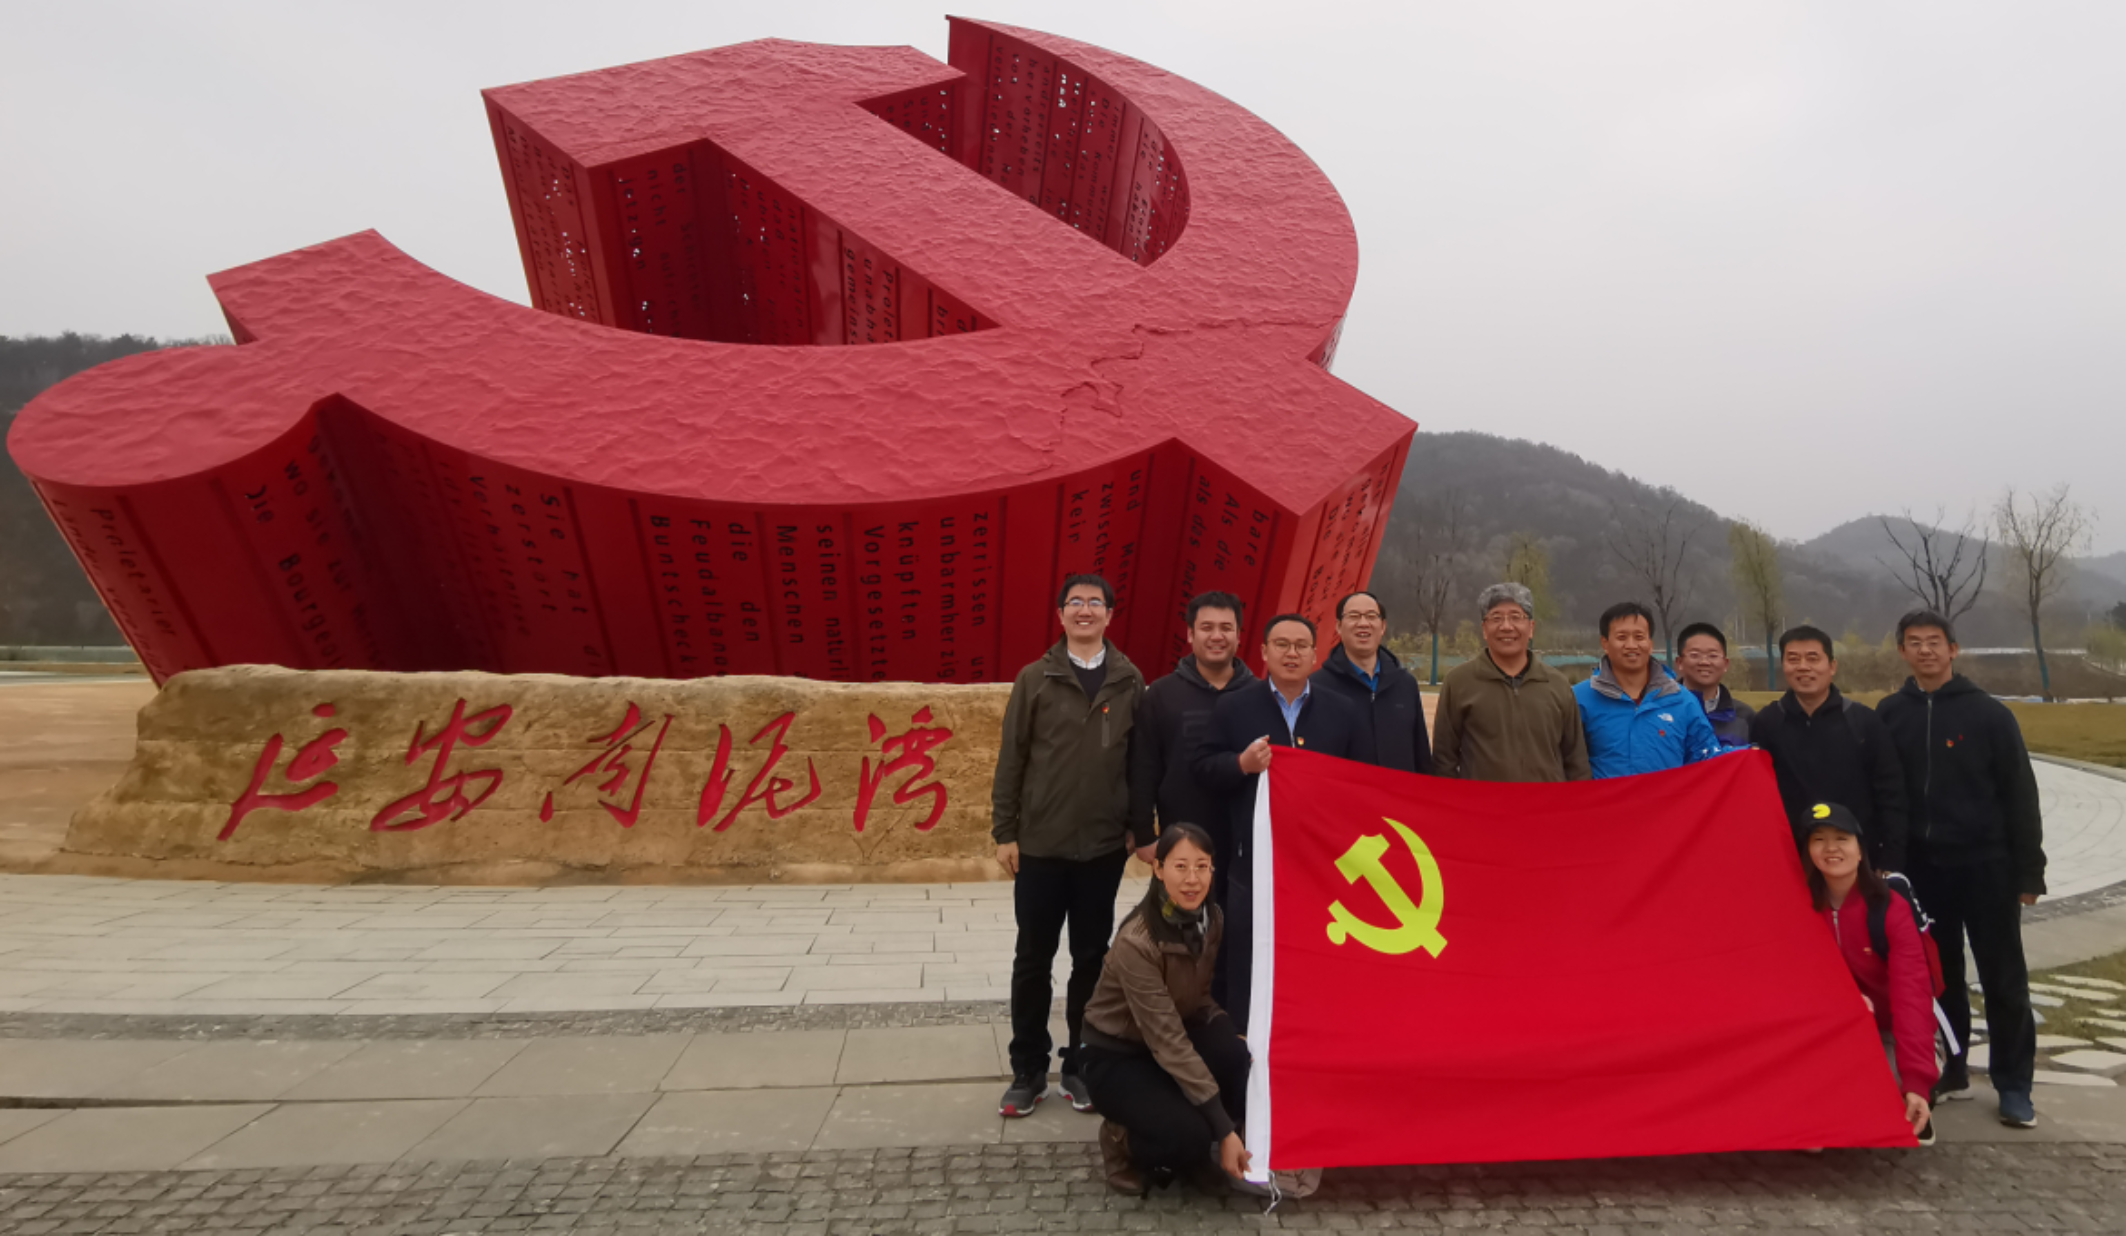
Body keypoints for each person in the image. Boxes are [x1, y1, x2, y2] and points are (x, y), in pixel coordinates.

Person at [1876, 609, 2046, 1128]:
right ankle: (1951, 1070)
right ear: (1902, 651)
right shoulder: (1890, 713)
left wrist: (2030, 871)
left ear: (1953, 649)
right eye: (1914, 642)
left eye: (1935, 641)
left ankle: (2014, 1083)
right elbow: (1885, 792)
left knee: (2003, 975)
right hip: (1924, 870)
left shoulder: (1990, 715)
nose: (1925, 650)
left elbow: (2021, 794)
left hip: (1986, 865)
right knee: (1939, 977)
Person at [991, 573, 1145, 1119]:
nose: (1085, 610)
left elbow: (1138, 761)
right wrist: (1005, 831)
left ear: (1109, 614)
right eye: (1075, 602)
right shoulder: (1036, 678)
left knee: (1091, 959)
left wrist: (1138, 825)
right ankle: (1028, 1069)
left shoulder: (1129, 680)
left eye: (1095, 603)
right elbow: (1012, 757)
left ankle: (1081, 1064)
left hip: (1102, 848)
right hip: (1040, 845)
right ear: (1060, 615)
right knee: (1033, 959)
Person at [1193, 613, 1371, 1031]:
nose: (1292, 654)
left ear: (1315, 654)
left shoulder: (1342, 711)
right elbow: (1202, 768)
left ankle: (1315, 1036)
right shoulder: (1235, 706)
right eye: (1282, 645)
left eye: (1301, 646)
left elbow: (1363, 782)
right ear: (1263, 652)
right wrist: (1241, 764)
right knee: (1249, 956)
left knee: (1316, 954)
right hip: (1254, 861)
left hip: (1323, 864)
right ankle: (1247, 1045)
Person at [1080, 822, 1253, 1196]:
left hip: (1171, 1036)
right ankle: (1120, 1139)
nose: (1192, 879)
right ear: (1158, 870)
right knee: (1188, 1134)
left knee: (1235, 1054)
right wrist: (1223, 1128)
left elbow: (1200, 997)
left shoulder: (1211, 919)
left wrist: (1229, 1032)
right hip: (1117, 1054)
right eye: (1180, 867)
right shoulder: (1137, 942)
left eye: (1202, 866)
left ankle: (1198, 1151)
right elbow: (1167, 1041)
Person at [1804, 801, 1938, 1146]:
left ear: (1861, 850)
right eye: (1819, 839)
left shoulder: (1890, 908)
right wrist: (1845, 1003)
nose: (1831, 848)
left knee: (1889, 1095)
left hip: (1887, 1029)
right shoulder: (1798, 908)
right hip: (1829, 1031)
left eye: (1841, 838)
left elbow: (1912, 996)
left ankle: (1914, 1096)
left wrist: (1916, 1080)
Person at [1129, 591, 1256, 910]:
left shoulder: (1259, 695)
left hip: (1245, 845)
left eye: (1226, 628)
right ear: (1190, 634)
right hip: (1181, 841)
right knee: (1178, 930)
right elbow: (1143, 768)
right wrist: (1144, 835)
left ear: (1239, 635)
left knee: (1238, 930)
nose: (1217, 636)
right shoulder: (1162, 694)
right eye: (1206, 627)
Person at [1747, 626, 1908, 873]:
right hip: (1790, 860)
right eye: (1793, 659)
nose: (1803, 667)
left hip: (1856, 862)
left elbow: (1891, 795)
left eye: (1813, 658)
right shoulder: (1767, 723)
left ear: (1832, 666)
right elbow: (1757, 797)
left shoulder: (1864, 722)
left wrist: (1890, 860)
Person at [1431, 582, 1591, 782]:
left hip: (1546, 800)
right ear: (1484, 629)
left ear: (1531, 628)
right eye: (1496, 618)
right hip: (1484, 801)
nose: (1506, 627)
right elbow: (1443, 759)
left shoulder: (1557, 684)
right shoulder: (1459, 682)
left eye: (1516, 617)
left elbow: (1576, 760)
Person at [1572, 601, 1721, 778]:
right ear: (1605, 643)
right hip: (1604, 796)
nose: (1631, 645)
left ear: (1650, 643)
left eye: (1639, 637)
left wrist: (1747, 756)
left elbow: (1708, 759)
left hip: (1668, 797)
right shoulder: (1579, 699)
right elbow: (1565, 762)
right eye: (1621, 637)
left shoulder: (1682, 700)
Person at [1310, 590, 1435, 775]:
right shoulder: (1317, 687)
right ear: (1338, 626)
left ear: (1382, 626)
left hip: (1397, 791)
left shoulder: (1405, 684)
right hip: (1344, 792)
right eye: (1354, 616)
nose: (1363, 623)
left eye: (1371, 616)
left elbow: (1421, 754)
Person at [1675, 621, 1756, 751]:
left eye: (1712, 656)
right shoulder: (1662, 712)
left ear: (1725, 664)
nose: (1704, 662)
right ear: (1679, 663)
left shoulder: (1744, 716)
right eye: (1695, 655)